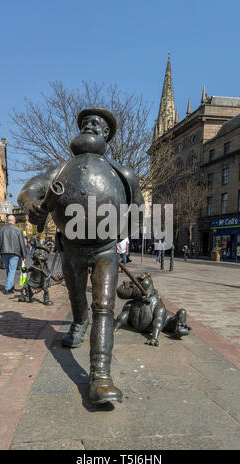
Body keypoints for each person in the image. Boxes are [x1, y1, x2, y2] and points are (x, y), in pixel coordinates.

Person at [17, 107, 144, 405]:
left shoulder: (122, 173)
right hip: (71, 247)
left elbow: (137, 209)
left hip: (104, 248)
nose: (90, 125)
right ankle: (78, 323)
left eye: (96, 124)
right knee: (77, 299)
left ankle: (100, 376)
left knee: (104, 307)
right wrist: (29, 204)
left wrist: (117, 232)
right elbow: (29, 189)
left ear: (106, 135)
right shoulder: (61, 170)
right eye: (86, 122)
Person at [0, 215, 26, 294]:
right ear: (14, 221)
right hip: (15, 253)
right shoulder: (18, 230)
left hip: (4, 252)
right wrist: (24, 255)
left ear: (7, 221)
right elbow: (22, 244)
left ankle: (11, 287)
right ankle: (8, 288)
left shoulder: (1, 230)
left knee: (8, 271)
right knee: (11, 270)